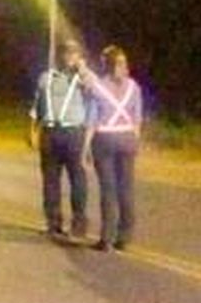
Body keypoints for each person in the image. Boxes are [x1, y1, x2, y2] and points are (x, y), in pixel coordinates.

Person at [28, 38, 91, 240]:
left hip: (74, 133)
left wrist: (82, 70)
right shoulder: (46, 78)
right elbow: (37, 105)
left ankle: (79, 224)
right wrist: (32, 130)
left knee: (77, 180)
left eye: (74, 53)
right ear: (60, 55)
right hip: (50, 132)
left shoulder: (82, 79)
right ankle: (53, 222)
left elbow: (94, 91)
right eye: (66, 53)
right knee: (50, 181)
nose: (69, 57)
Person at [82, 45, 143, 251]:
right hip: (127, 139)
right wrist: (134, 141)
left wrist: (85, 149)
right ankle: (124, 236)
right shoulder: (134, 87)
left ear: (105, 65)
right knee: (126, 188)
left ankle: (106, 239)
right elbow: (137, 119)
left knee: (108, 190)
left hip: (105, 139)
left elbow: (91, 120)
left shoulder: (97, 87)